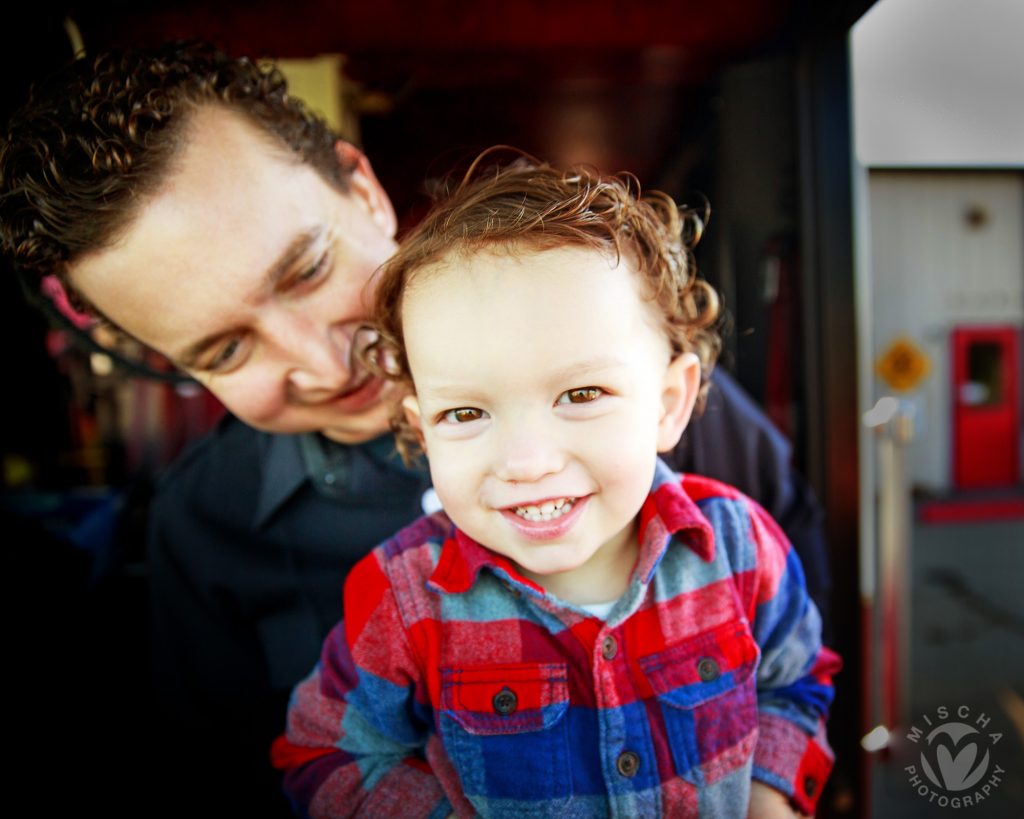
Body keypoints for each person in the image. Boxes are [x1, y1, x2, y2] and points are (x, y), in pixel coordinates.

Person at [0, 42, 830, 816]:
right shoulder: (200, 531)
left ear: (363, 191)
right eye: (224, 347)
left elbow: (799, 667)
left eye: (307, 268)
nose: (324, 365)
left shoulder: (685, 425)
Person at [271, 152, 840, 817]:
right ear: (423, 432)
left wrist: (770, 798)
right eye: (466, 413)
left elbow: (793, 679)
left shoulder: (740, 547)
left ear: (667, 403)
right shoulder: (403, 601)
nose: (528, 460)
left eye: (580, 393)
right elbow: (325, 752)